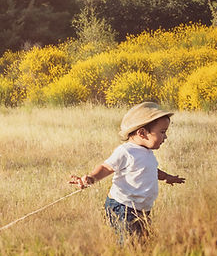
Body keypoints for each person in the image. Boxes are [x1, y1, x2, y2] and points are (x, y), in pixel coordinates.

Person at [69, 101, 185, 244]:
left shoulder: (147, 152)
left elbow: (150, 169)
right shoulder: (126, 151)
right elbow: (106, 168)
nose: (165, 137)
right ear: (142, 133)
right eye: (162, 132)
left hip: (141, 209)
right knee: (129, 242)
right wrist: (91, 178)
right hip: (123, 207)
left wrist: (167, 177)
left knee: (143, 240)